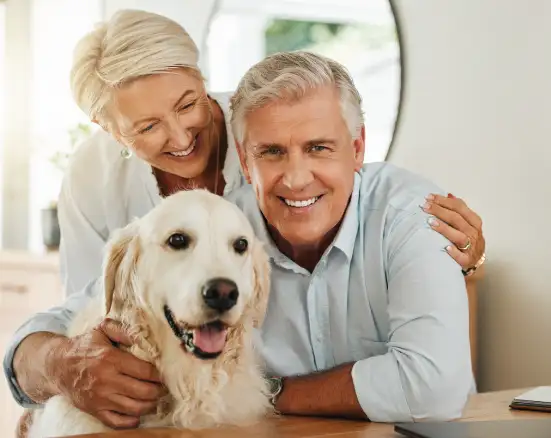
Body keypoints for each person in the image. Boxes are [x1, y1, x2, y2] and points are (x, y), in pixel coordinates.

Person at [3, 9, 485, 429]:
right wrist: (58, 370)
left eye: (188, 104)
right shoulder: (128, 191)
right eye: (147, 127)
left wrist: (266, 393)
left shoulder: (379, 201)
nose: (180, 136)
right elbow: (87, 318)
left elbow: (433, 384)